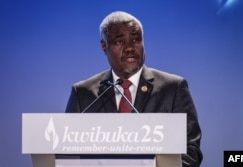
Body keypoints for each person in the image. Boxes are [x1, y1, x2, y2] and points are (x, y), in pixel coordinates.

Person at [65, 11, 203, 167]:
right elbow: (68, 154)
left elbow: (191, 151)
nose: (130, 48)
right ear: (104, 47)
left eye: (136, 39)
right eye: (120, 42)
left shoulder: (173, 88)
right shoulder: (82, 93)